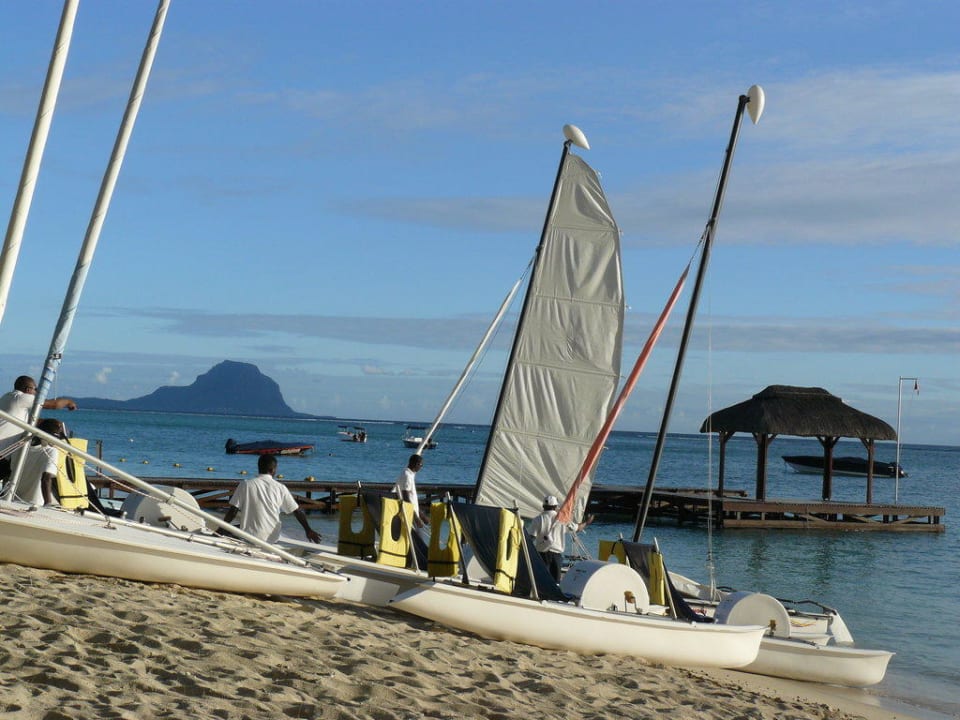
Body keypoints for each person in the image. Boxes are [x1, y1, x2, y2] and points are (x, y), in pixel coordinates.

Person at [222, 454, 320, 544]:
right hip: (272, 539)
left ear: (258, 467)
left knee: (230, 529)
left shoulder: (246, 484)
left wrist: (221, 528)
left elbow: (233, 511)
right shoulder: (281, 488)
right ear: (273, 470)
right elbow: (297, 511)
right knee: (240, 526)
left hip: (250, 537)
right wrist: (308, 530)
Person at [0, 376, 77, 481]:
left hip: (4, 453)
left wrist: (53, 424)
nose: (36, 392)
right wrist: (69, 402)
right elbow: (53, 405)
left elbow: (29, 420)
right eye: (35, 389)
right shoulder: (22, 397)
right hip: (3, 453)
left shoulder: (7, 397)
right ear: (28, 390)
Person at [527, 494, 594, 582]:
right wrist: (587, 522)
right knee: (556, 581)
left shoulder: (538, 519)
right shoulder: (563, 519)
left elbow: (531, 538)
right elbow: (578, 528)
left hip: (542, 555)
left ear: (543, 506)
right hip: (556, 555)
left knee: (541, 580)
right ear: (555, 507)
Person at [14, 418, 67, 506]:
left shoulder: (19, 446)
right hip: (34, 503)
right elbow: (46, 479)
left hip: (12, 498)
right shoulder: (51, 451)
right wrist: (48, 502)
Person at [392, 453, 426, 528]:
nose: (421, 467)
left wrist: (422, 515)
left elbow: (412, 498)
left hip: (411, 514)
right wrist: (416, 518)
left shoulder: (409, 474)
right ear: (416, 464)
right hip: (409, 515)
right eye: (421, 465)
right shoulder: (407, 476)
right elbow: (406, 498)